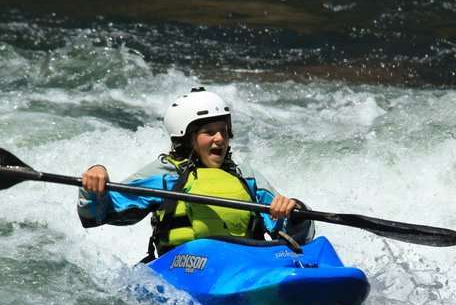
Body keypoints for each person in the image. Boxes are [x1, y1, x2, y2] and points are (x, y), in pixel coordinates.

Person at [78, 87, 314, 260]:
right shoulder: (165, 175)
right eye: (209, 132)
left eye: (223, 131)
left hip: (245, 263)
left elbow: (294, 236)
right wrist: (95, 181)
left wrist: (295, 212)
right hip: (185, 266)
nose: (220, 138)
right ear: (187, 139)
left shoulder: (246, 176)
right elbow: (100, 214)